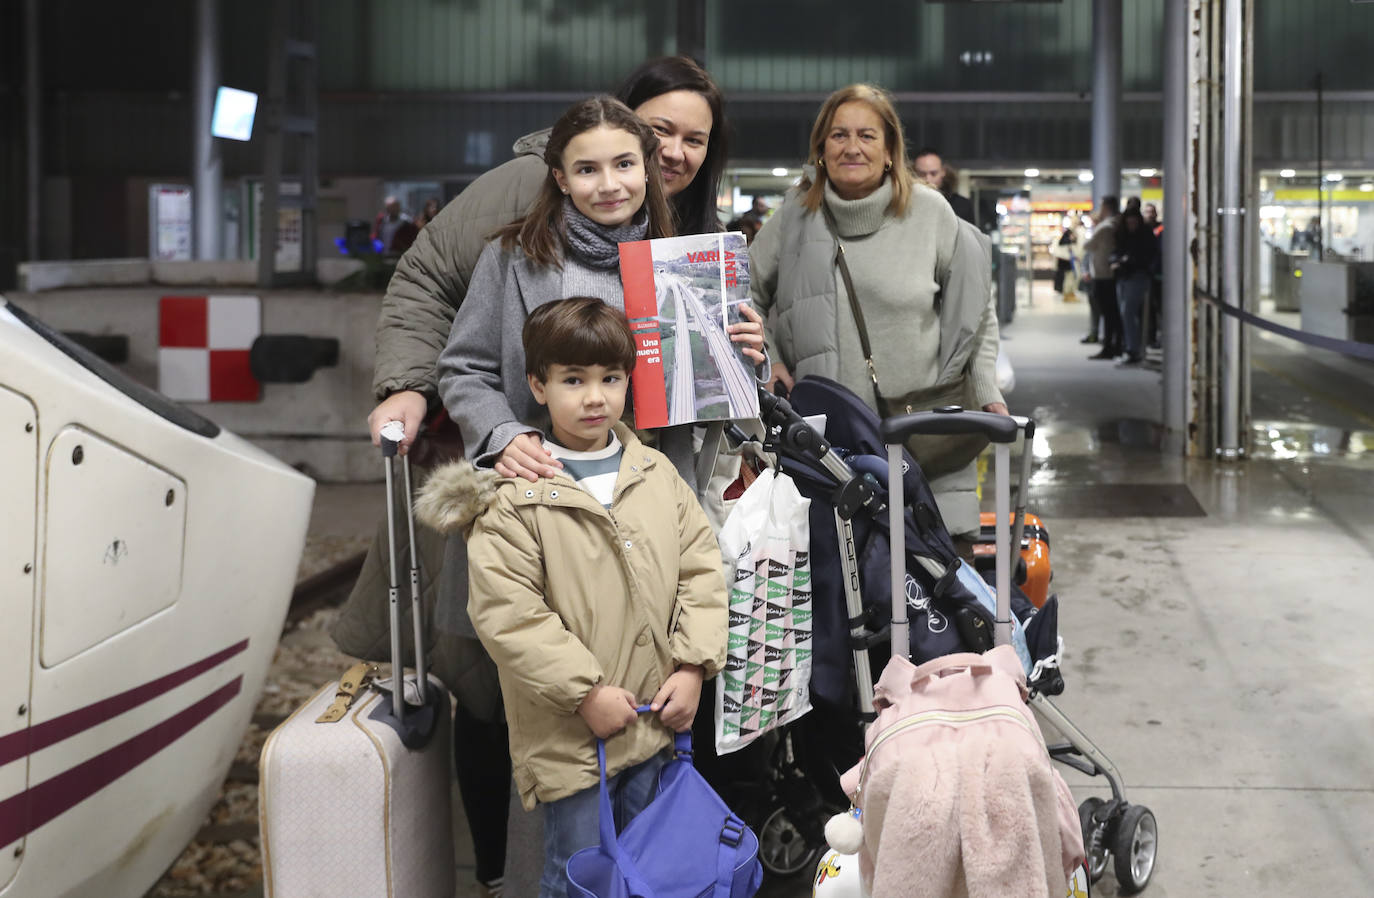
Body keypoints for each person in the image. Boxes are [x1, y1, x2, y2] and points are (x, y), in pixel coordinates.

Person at [336, 58, 739, 898]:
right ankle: (504, 875)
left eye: (678, 143)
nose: (627, 172)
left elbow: (710, 410)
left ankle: (637, 872)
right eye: (596, 164)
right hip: (533, 505)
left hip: (636, 507)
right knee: (500, 692)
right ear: (562, 172)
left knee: (641, 703)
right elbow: (468, 363)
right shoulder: (516, 250)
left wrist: (738, 363)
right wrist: (502, 434)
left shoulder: (684, 261)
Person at [416, 296, 728, 898]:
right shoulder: (514, 497)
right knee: (577, 874)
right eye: (573, 380)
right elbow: (511, 616)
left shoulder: (655, 473)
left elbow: (701, 569)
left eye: (610, 379)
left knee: (652, 868)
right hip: (575, 737)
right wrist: (584, 693)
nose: (595, 397)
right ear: (537, 385)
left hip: (656, 721)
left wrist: (692, 666)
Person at [752, 84, 1006, 543]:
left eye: (867, 136)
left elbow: (977, 307)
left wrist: (985, 386)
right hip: (828, 448)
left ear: (890, 150)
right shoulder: (795, 214)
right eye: (838, 135)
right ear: (821, 148)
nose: (852, 147)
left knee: (938, 590)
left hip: (925, 434)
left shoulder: (931, 212)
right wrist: (768, 363)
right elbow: (743, 293)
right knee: (845, 592)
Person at [1110, 208, 1159, 367]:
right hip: (1123, 277)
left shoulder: (1144, 236)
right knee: (1126, 313)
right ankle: (1132, 347)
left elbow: (1148, 256)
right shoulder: (1122, 235)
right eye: (1129, 222)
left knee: (1128, 312)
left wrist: (1125, 261)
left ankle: (1133, 349)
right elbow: (1115, 252)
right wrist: (1117, 261)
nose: (1131, 225)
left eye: (1134, 222)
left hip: (1138, 276)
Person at [1082, 195, 1124, 358]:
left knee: (1108, 312)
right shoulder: (1114, 225)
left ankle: (1109, 346)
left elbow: (1088, 245)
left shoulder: (1105, 227)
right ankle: (1116, 344)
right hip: (1107, 273)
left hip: (1103, 274)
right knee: (1112, 312)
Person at [912, 146, 976, 224]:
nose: (928, 179)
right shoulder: (907, 204)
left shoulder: (962, 205)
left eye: (933, 173)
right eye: (922, 174)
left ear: (943, 172)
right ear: (914, 173)